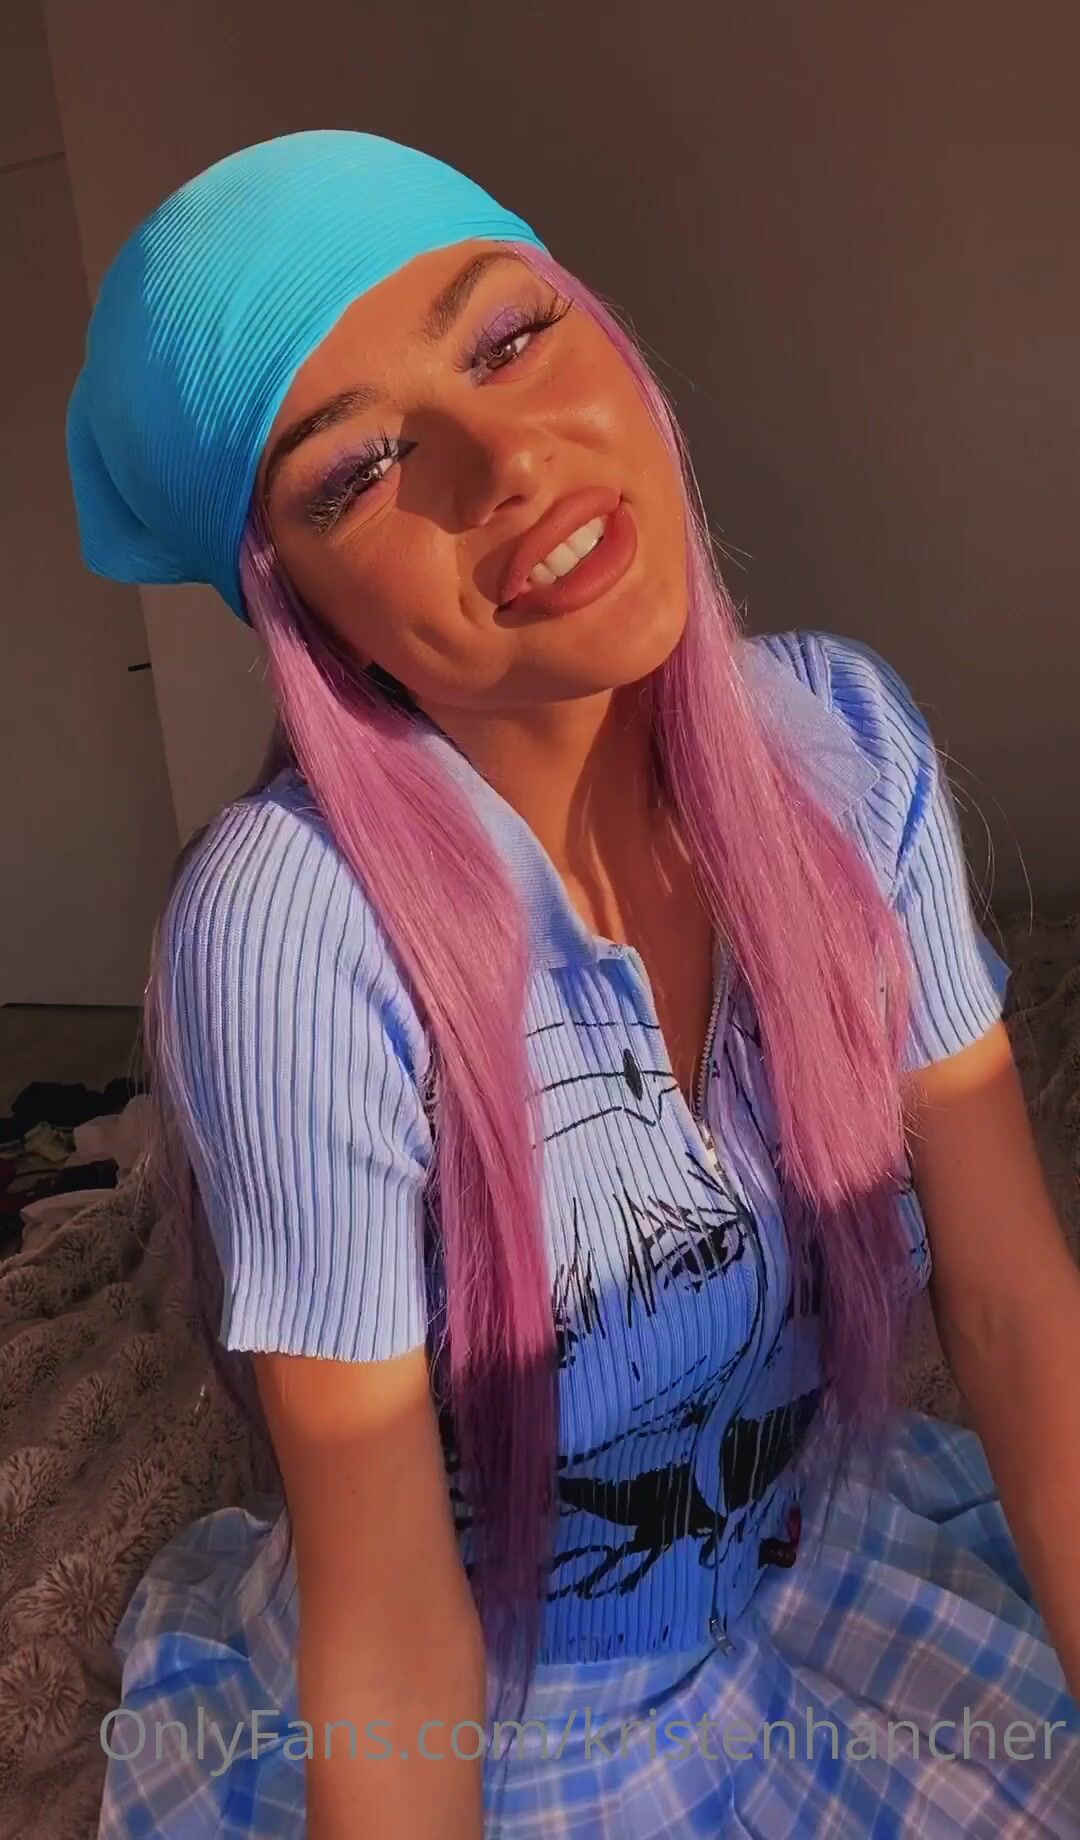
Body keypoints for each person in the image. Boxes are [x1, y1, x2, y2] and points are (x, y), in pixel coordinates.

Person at [67, 131, 1079, 1839]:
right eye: (359, 471)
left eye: (511, 336)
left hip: (821, 1567)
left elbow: (1016, 1312)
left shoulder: (845, 748)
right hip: (527, 1721)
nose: (509, 461)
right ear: (301, 605)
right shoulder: (293, 932)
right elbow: (392, 1618)